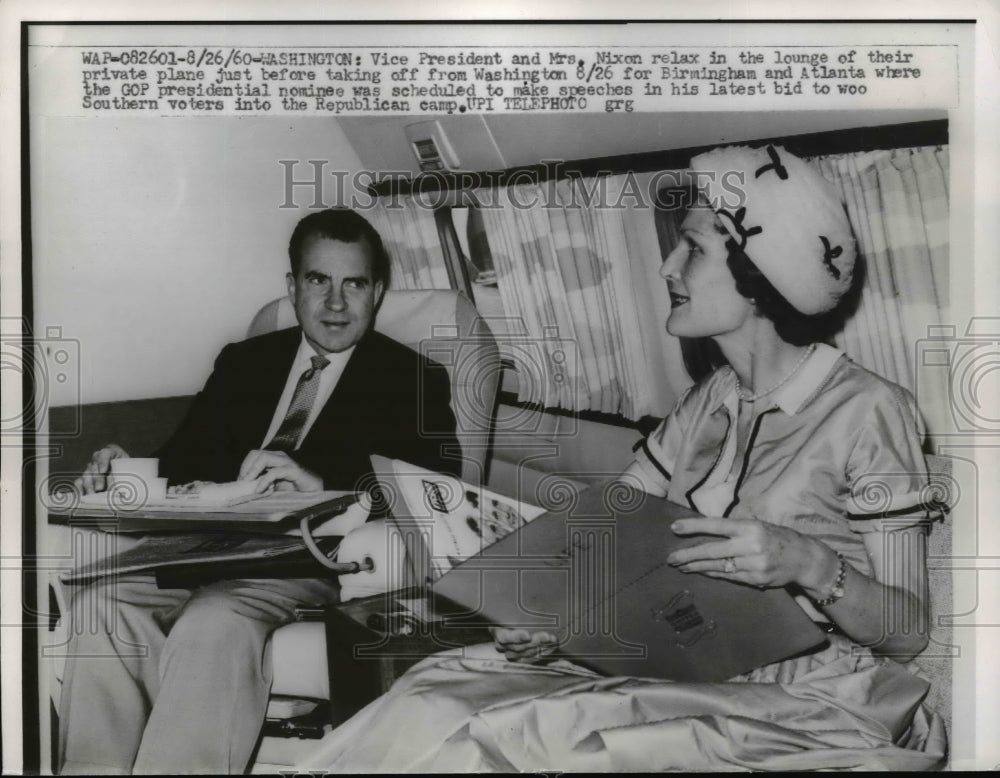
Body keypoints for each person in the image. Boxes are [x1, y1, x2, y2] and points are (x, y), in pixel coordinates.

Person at [310, 146, 948, 771]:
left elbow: (909, 630)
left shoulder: (870, 409)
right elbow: (608, 543)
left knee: (512, 736)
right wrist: (552, 622)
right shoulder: (708, 401)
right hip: (681, 657)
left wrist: (807, 562)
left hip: (805, 694)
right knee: (434, 689)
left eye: (693, 248)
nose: (669, 267)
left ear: (760, 278)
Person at [59, 208, 460, 774]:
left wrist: (329, 488)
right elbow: (182, 464)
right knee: (101, 608)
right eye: (319, 280)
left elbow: (437, 493)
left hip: (308, 559)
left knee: (213, 621)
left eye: (355, 283)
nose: (336, 302)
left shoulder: (412, 380)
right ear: (292, 287)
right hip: (204, 551)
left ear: (378, 292)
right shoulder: (244, 362)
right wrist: (125, 472)